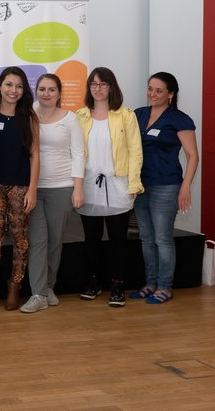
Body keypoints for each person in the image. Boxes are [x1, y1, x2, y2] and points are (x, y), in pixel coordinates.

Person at [76, 67, 143, 307]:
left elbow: (135, 151)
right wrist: (76, 185)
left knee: (118, 240)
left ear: (111, 87)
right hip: (89, 184)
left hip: (118, 185)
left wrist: (134, 183)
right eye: (93, 84)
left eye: (103, 84)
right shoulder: (80, 116)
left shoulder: (125, 115)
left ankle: (117, 285)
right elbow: (75, 153)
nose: (98, 88)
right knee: (91, 239)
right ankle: (93, 282)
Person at [131, 72, 198, 304]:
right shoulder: (138, 114)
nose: (152, 94)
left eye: (159, 90)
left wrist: (185, 187)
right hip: (141, 186)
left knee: (162, 238)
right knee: (146, 238)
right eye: (150, 88)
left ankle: (164, 286)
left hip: (167, 186)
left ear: (170, 94)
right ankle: (150, 284)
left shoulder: (179, 119)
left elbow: (193, 156)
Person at [20, 74, 84, 313]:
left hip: (62, 188)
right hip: (33, 188)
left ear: (59, 93)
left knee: (55, 241)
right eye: (42, 89)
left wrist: (78, 187)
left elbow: (78, 154)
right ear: (36, 91)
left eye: (51, 90)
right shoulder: (27, 114)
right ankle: (37, 294)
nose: (46, 94)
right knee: (38, 240)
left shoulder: (70, 119)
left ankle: (48, 287)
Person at [0, 66, 40, 311]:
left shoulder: (29, 117)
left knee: (19, 238)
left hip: (20, 187)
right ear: (0, 86)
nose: (13, 90)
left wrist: (32, 189)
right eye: (9, 84)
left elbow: (35, 156)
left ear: (23, 90)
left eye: (18, 86)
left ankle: (14, 287)